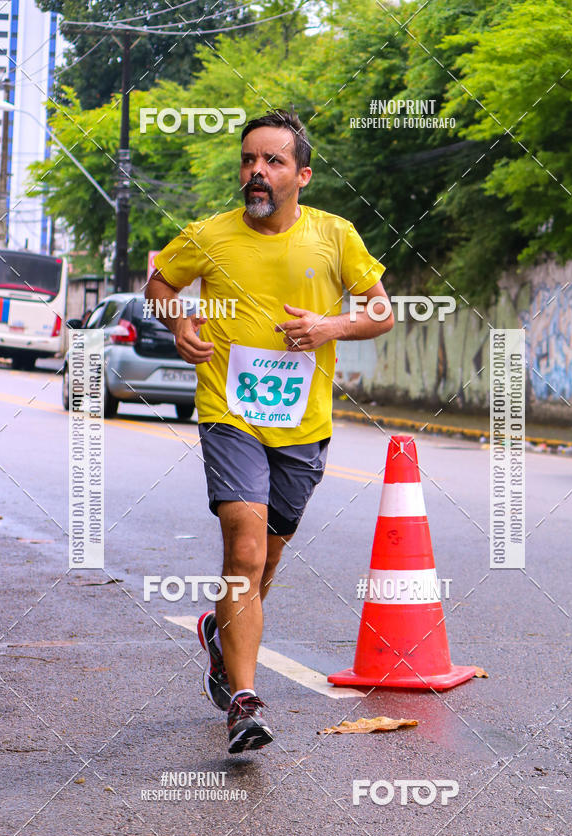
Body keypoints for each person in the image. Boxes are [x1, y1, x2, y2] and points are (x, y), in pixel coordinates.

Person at [146, 108, 393, 754]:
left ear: (301, 175)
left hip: (303, 426)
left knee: (266, 563)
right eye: (249, 160)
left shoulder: (334, 237)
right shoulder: (209, 235)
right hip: (230, 415)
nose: (257, 171)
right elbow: (159, 284)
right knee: (246, 550)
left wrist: (329, 327)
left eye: (273, 161)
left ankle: (219, 635)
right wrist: (178, 322)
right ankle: (244, 702)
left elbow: (379, 311)